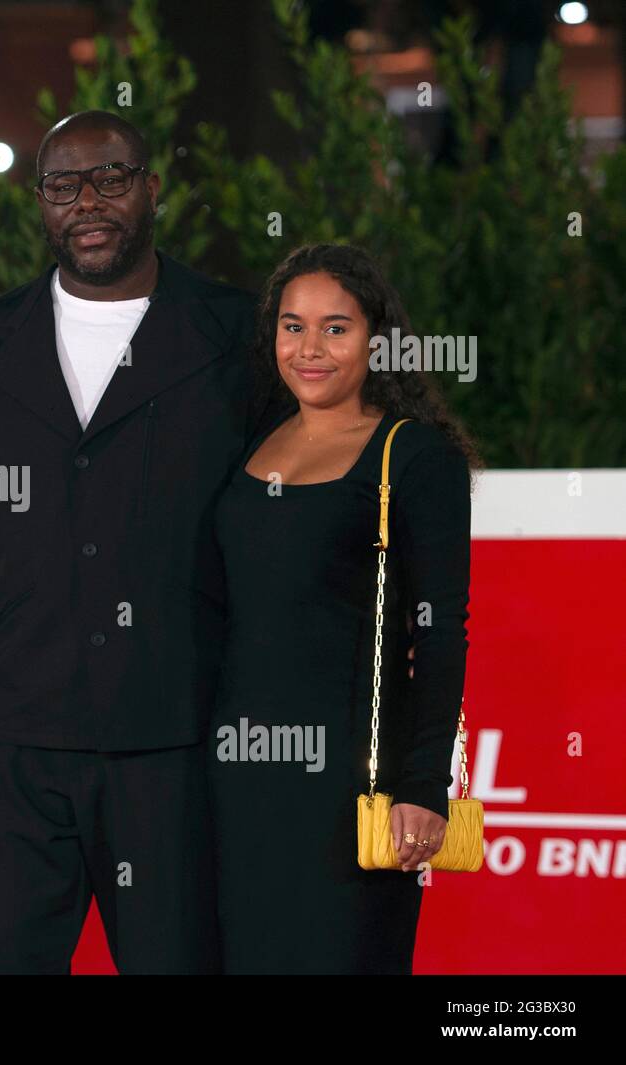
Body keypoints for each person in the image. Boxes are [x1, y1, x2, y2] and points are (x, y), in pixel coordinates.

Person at [0, 110, 267, 973]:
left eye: (109, 177)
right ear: (40, 203)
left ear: (152, 187)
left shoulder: (240, 341)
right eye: (63, 186)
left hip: (175, 742)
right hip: (13, 746)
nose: (87, 202)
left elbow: (286, 535)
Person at [208, 242, 478, 973]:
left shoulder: (415, 457)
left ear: (376, 337)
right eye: (292, 326)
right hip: (235, 777)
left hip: (352, 782)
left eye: (337, 327)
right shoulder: (247, 441)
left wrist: (423, 787)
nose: (310, 348)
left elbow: (441, 632)